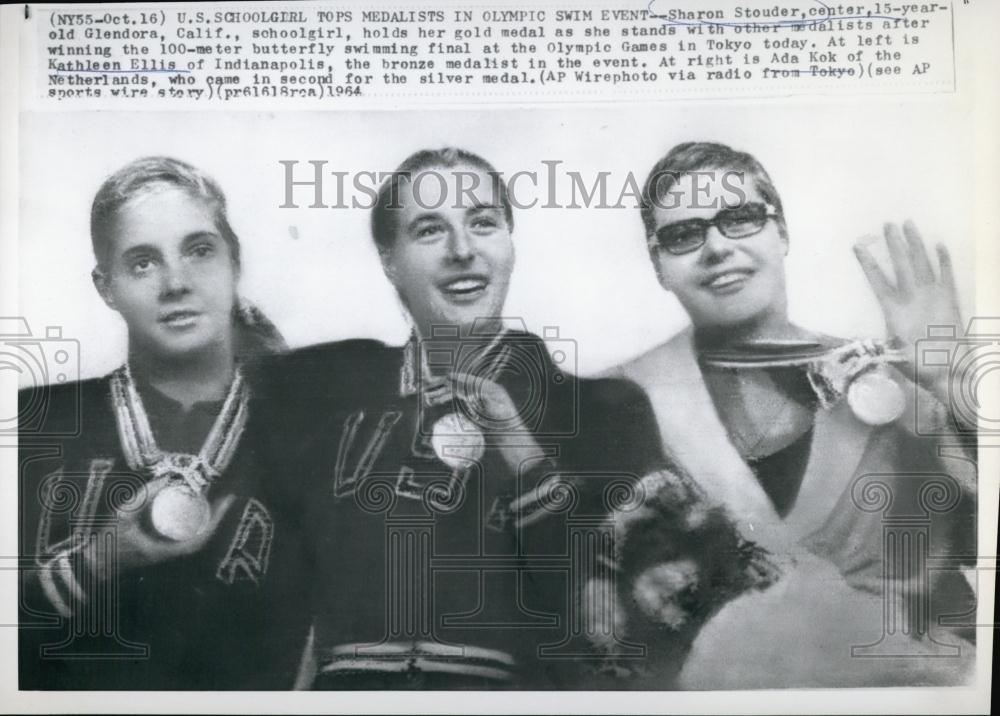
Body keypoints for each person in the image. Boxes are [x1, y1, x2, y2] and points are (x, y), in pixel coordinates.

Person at [256, 147, 769, 689]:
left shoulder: (601, 412)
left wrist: (522, 454)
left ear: (509, 243)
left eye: (482, 223)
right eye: (430, 231)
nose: (462, 250)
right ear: (389, 260)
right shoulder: (330, 394)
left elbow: (629, 629)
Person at [602, 141, 977, 687]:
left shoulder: (906, 386)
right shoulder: (617, 403)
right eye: (684, 234)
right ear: (659, 265)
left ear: (782, 233)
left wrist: (954, 381)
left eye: (741, 218)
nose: (716, 247)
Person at [18, 157, 311, 690]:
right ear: (105, 286)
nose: (177, 282)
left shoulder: (313, 434)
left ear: (234, 262)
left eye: (199, 251)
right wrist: (97, 562)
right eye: (142, 263)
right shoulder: (31, 425)